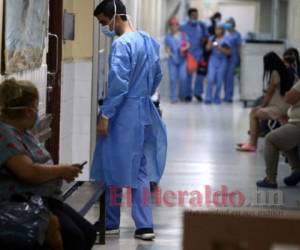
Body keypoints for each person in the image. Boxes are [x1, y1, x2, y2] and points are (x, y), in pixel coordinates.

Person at [91, 0, 167, 241]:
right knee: (139, 170)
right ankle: (145, 225)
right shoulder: (147, 40)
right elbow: (157, 75)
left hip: (123, 114)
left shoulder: (122, 44)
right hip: (143, 111)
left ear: (115, 16)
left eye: (104, 22)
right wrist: (142, 94)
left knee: (112, 166)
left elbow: (118, 84)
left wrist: (106, 115)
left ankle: (110, 221)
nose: (105, 28)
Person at [0, 78, 96, 250]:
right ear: (28, 112)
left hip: (45, 199)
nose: (38, 112)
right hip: (22, 203)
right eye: (36, 107)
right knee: (74, 238)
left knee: (88, 232)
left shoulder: (22, 131)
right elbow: (27, 172)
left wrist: (62, 171)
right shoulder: (4, 134)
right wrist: (60, 171)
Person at [237, 52, 295, 152]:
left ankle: (252, 144)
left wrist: (262, 106)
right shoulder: (287, 70)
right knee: (256, 111)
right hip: (286, 106)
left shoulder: (275, 73)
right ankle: (250, 141)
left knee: (254, 113)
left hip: (279, 108)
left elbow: (269, 94)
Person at [257, 79, 300, 188]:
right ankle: (297, 170)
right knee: (283, 137)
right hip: (293, 119)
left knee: (271, 139)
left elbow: (289, 98)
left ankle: (270, 179)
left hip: (297, 122)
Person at [180, 8, 208, 102]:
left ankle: (198, 93)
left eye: (196, 15)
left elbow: (206, 37)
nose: (195, 17)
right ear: (189, 16)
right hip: (188, 55)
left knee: (200, 76)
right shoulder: (183, 26)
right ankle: (188, 94)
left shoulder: (201, 26)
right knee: (188, 76)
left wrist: (204, 40)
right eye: (193, 15)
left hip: (199, 54)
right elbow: (180, 39)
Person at [204, 23, 231, 104]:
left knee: (219, 81)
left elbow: (229, 52)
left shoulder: (226, 39)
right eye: (216, 29)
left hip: (223, 61)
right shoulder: (212, 38)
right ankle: (208, 98)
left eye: (219, 29)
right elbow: (207, 49)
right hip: (213, 60)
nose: (217, 31)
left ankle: (217, 98)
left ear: (222, 30)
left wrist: (219, 47)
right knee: (210, 79)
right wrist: (211, 45)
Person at [165, 17, 189, 103]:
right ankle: (173, 97)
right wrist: (168, 51)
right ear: (170, 26)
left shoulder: (183, 35)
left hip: (182, 60)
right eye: (172, 25)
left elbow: (188, 44)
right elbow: (167, 47)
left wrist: (184, 48)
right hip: (172, 60)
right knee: (173, 79)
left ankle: (182, 95)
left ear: (178, 26)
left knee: (183, 78)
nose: (173, 27)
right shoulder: (168, 37)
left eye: (175, 25)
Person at [224, 17, 242, 103]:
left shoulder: (237, 35)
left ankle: (229, 96)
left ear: (233, 24)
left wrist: (240, 59)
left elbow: (239, 47)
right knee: (225, 77)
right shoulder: (226, 35)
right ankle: (226, 95)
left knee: (230, 78)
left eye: (228, 23)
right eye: (226, 23)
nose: (226, 25)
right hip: (225, 58)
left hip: (233, 58)